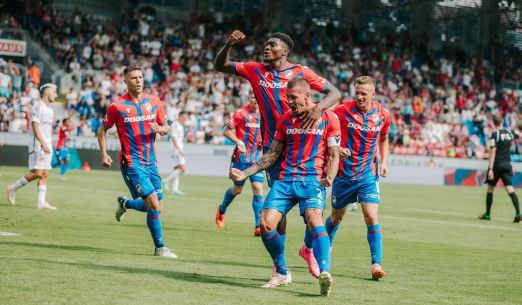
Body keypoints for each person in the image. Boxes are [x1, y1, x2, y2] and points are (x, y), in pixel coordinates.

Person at [214, 29, 341, 274]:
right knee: (277, 211)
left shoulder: (301, 72)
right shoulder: (255, 69)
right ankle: (279, 265)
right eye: (265, 44)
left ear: (285, 51)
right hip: (275, 147)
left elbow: (334, 92)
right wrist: (228, 42)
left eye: (272, 44)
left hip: (306, 146)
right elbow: (221, 65)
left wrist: (319, 109)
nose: (267, 47)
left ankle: (307, 249)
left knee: (313, 210)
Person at [231, 78, 341, 296]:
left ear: (307, 95)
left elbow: (335, 152)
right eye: (287, 97)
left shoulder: (329, 117)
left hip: (312, 180)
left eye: (293, 97)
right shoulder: (285, 120)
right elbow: (272, 155)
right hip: (286, 180)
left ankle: (325, 273)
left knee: (314, 218)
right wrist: (244, 173)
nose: (289, 101)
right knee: (266, 223)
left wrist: (331, 175)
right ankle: (282, 271)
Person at [97, 65, 177, 258]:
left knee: (156, 206)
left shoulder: (154, 101)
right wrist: (104, 154)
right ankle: (160, 248)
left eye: (140, 77)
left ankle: (125, 203)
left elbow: (167, 128)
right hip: (132, 163)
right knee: (153, 204)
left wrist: (161, 128)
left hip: (151, 162)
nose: (138, 81)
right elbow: (102, 130)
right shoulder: (117, 106)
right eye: (133, 78)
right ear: (125, 82)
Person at [320, 76, 391, 280]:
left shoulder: (383, 114)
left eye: (363, 94)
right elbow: (326, 130)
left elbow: (384, 138)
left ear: (373, 95)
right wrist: (338, 148)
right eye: (357, 93)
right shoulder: (342, 111)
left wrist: (384, 161)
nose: (359, 97)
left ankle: (376, 264)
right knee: (336, 217)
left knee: (370, 216)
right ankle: (327, 246)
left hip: (368, 174)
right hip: (343, 175)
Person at [215, 90, 264, 236]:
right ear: (248, 98)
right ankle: (222, 209)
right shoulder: (241, 113)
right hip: (240, 158)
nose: (255, 101)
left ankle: (258, 226)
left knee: (258, 188)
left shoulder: (264, 114)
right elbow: (226, 131)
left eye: (257, 98)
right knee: (237, 190)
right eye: (252, 98)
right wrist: (238, 141)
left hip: (257, 159)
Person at [6, 83, 58, 210]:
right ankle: (12, 188)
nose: (55, 95)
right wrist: (43, 143)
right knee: (37, 173)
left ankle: (41, 203)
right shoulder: (38, 106)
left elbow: (48, 128)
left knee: (45, 173)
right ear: (46, 92)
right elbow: (35, 126)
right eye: (54, 92)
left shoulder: (50, 110)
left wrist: (50, 143)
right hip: (38, 144)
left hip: (47, 144)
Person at [478, 115, 521, 223]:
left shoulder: (495, 135)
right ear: (502, 122)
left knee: (490, 189)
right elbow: (519, 135)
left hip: (497, 165)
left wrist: (491, 169)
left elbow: (493, 152)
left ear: (493, 123)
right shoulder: (509, 133)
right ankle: (518, 214)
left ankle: (487, 214)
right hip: (507, 165)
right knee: (510, 189)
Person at [164, 111, 188, 195]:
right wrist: (178, 149)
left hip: (179, 148)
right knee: (183, 168)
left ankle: (175, 189)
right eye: (184, 117)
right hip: (176, 149)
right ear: (180, 116)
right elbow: (173, 137)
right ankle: (166, 180)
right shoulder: (175, 124)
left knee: (177, 169)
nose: (186, 118)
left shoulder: (180, 125)